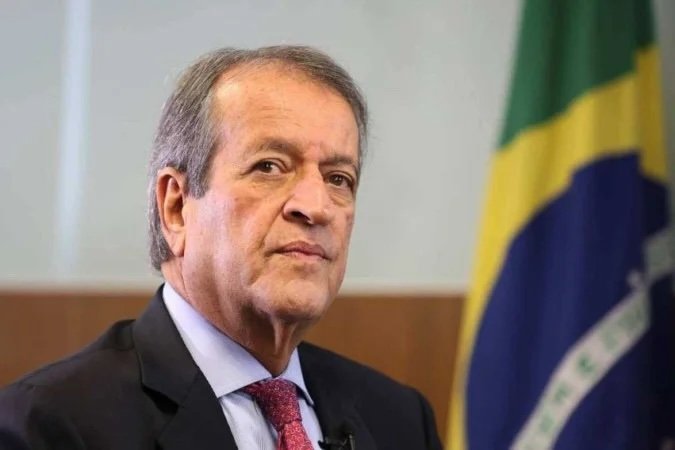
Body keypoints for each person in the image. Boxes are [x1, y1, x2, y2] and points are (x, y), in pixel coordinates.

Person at [0, 46, 442, 450]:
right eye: (269, 166)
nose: (316, 207)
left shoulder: (400, 419)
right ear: (176, 207)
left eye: (338, 178)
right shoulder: (49, 425)